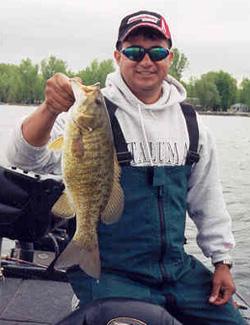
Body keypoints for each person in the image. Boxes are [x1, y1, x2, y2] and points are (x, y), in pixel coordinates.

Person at [6, 10, 245, 325]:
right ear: (118, 56)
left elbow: (208, 201)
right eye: (134, 51)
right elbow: (22, 157)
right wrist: (50, 108)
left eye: (156, 51)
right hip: (110, 269)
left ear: (169, 58)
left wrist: (222, 262)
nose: (146, 60)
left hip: (176, 269)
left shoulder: (193, 125)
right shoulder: (89, 113)